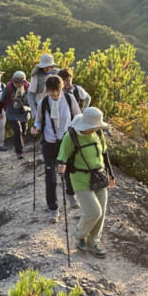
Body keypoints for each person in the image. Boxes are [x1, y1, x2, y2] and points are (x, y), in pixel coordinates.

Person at [57, 107, 115, 257]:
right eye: (94, 126)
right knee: (94, 211)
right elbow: (62, 156)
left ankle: (93, 243)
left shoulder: (98, 133)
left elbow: (104, 154)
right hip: (80, 178)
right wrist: (61, 165)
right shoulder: (71, 137)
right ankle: (79, 235)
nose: (97, 128)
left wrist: (111, 175)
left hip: (100, 176)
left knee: (101, 214)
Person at [30, 74, 82, 219]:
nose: (54, 94)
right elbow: (38, 121)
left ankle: (70, 194)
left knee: (69, 171)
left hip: (66, 142)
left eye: (56, 91)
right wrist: (35, 129)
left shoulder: (69, 99)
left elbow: (78, 116)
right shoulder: (43, 103)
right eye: (51, 91)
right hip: (49, 143)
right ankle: (53, 208)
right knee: (50, 177)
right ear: (47, 90)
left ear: (61, 88)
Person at [0, 70, 31, 159]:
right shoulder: (8, 88)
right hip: (11, 111)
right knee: (18, 131)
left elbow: (32, 100)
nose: (18, 84)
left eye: (19, 82)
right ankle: (19, 152)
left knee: (24, 131)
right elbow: (1, 101)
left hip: (23, 112)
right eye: (16, 82)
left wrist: (28, 108)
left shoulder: (28, 87)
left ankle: (20, 147)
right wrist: (0, 112)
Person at [28, 53, 59, 118]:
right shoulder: (36, 76)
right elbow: (31, 95)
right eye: (46, 66)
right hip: (41, 106)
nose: (47, 68)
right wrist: (34, 111)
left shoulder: (56, 74)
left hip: (55, 106)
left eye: (49, 66)